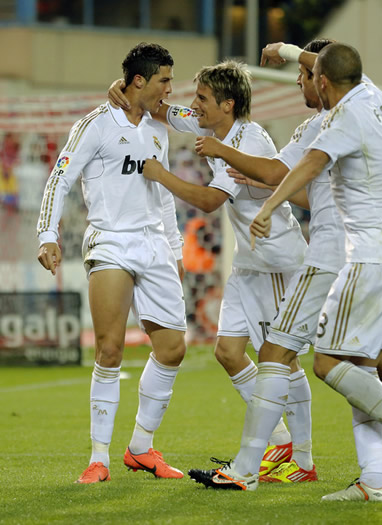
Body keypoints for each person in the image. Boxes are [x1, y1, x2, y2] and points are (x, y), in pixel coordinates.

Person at [187, 42, 382, 499]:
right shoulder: (376, 96)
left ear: (323, 80)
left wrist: (269, 202)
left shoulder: (330, 122)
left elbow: (289, 168)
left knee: (301, 358)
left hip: (344, 253)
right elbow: (332, 71)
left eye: (306, 75)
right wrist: (291, 51)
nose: (299, 81)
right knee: (368, 365)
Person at [108, 60, 310, 479]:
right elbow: (164, 110)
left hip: (277, 260)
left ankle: (301, 458)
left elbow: (209, 201)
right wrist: (124, 89)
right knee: (228, 353)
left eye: (202, 98)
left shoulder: (249, 140)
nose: (193, 105)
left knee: (282, 360)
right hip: (249, 264)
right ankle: (279, 443)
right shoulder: (208, 125)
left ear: (228, 104)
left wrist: (160, 174)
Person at [37, 42, 187, 484]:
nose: (170, 89)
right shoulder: (96, 125)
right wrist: (48, 234)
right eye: (164, 80)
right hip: (111, 244)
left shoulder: (162, 126)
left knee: (173, 349)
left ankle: (140, 447)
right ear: (139, 80)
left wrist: (174, 251)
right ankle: (98, 457)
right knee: (110, 349)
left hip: (155, 245)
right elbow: (60, 177)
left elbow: (163, 199)